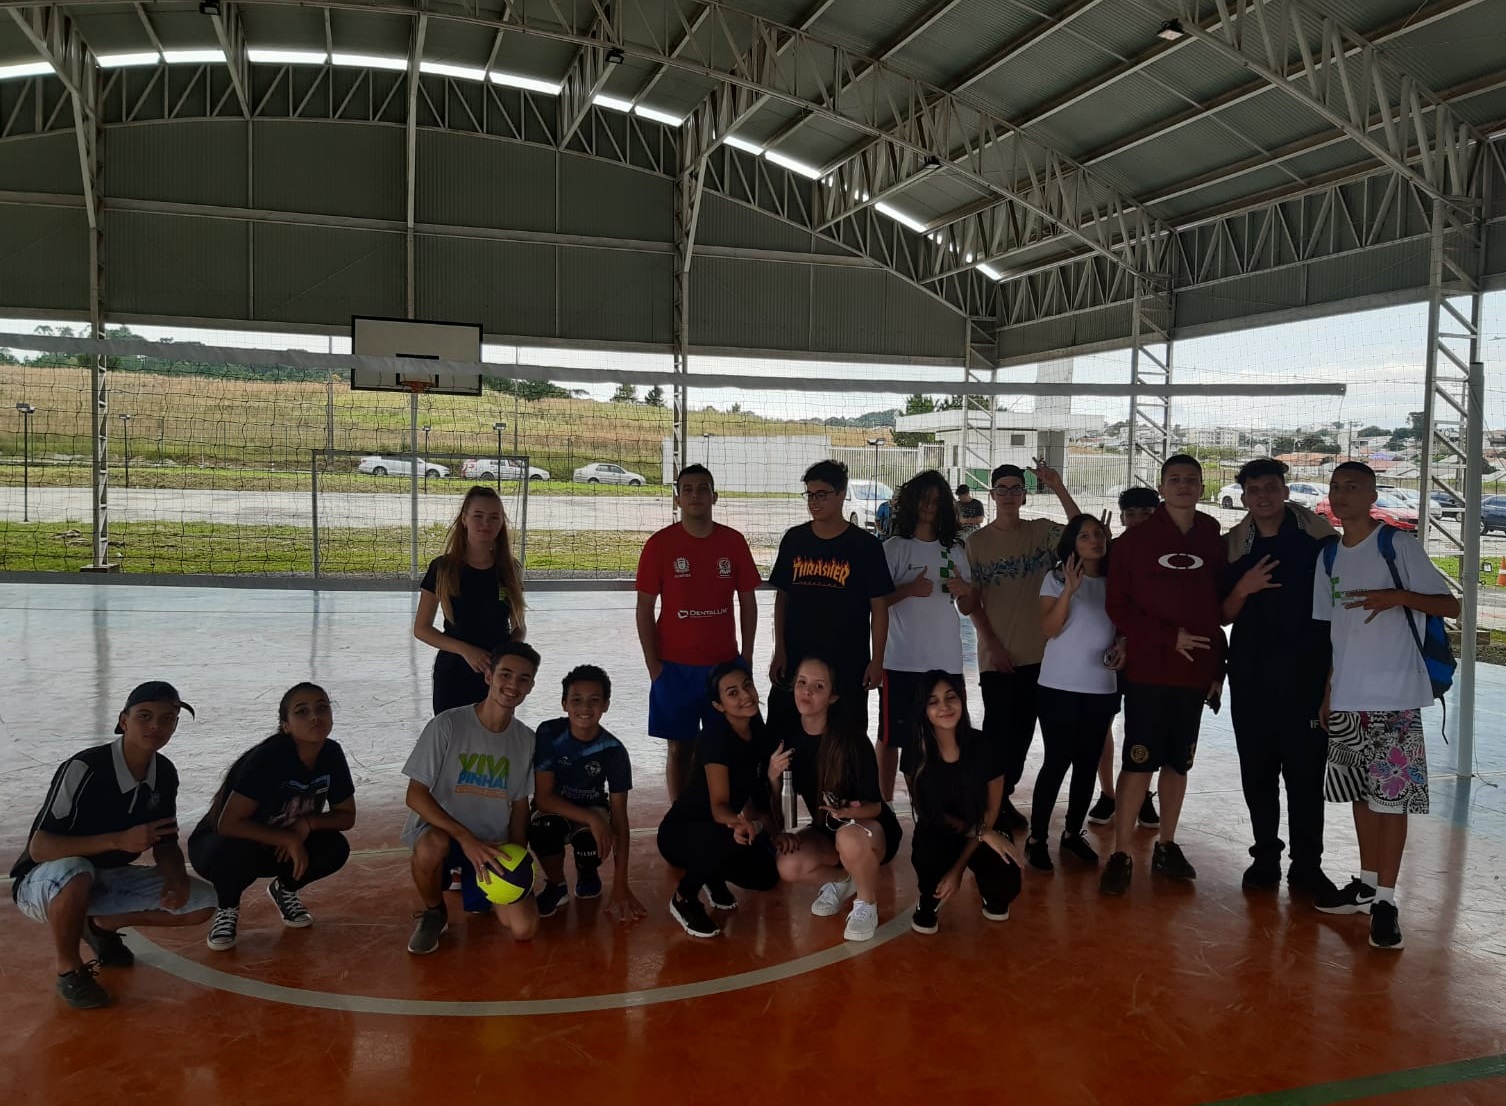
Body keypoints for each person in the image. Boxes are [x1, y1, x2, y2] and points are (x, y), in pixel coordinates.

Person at [1311, 462, 1457, 950]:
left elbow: (1451, 605)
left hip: (1394, 699)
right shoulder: (1328, 556)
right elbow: (1333, 634)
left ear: (1372, 493)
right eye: (1335, 487)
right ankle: (1368, 883)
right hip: (1349, 698)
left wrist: (1396, 596)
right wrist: (1330, 691)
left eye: (1352, 486)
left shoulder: (1398, 545)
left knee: (1391, 800)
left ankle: (1388, 901)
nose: (1341, 494)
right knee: (1361, 795)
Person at [9, 681, 216, 1009]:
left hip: (104, 878)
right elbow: (40, 848)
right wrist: (117, 840)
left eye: (168, 719)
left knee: (203, 903)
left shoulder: (164, 773)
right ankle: (69, 969)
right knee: (75, 871)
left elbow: (165, 842)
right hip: (45, 882)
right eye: (144, 716)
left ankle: (101, 925)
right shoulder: (85, 768)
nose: (156, 726)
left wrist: (175, 877)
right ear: (123, 720)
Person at [1101, 455, 1226, 895]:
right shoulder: (1134, 542)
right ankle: (1120, 852)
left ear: (1201, 486)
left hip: (1193, 676)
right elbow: (1117, 607)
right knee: (1139, 762)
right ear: (1161, 486)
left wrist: (1218, 667)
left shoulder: (1212, 535)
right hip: (1149, 673)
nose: (1184, 486)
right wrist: (1165, 637)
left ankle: (1167, 845)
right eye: (1175, 480)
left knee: (1179, 762)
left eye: (1192, 480)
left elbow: (1217, 607)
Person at [1222, 459, 1338, 896]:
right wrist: (1242, 589)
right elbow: (1220, 614)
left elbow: (1341, 616)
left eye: (1272, 487)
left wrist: (1331, 681)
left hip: (1306, 680)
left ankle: (1307, 866)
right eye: (1254, 490)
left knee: (1306, 778)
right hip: (1251, 678)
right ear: (1245, 497)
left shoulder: (1321, 544)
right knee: (1257, 773)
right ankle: (1265, 856)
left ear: (1286, 491)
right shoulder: (1234, 546)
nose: (1264, 496)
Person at [189, 683, 357, 951]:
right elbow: (228, 824)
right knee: (231, 852)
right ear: (286, 725)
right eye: (302, 712)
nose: (315, 716)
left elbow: (346, 816)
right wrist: (287, 838)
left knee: (335, 847)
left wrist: (306, 824)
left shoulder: (331, 754)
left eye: (322, 708)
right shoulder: (269, 758)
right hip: (225, 842)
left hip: (280, 844)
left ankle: (285, 889)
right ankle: (228, 907)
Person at [402, 642, 542, 954]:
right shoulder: (448, 725)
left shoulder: (526, 740)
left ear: (531, 686)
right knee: (430, 847)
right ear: (489, 676)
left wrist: (518, 858)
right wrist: (464, 838)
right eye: (505, 674)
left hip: (491, 846)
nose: (513, 685)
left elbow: (520, 806)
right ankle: (434, 912)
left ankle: (474, 887)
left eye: (523, 679)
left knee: (524, 929)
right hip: (448, 836)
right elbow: (415, 795)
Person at [966, 459, 1082, 831]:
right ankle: (990, 807)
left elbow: (1082, 534)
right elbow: (972, 603)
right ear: (992, 494)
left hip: (1042, 658)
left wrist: (1059, 486)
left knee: (1024, 735)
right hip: (997, 658)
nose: (1009, 495)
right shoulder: (977, 543)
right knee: (999, 736)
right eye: (1003, 488)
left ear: (1025, 495)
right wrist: (992, 646)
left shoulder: (1042, 532)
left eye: (1017, 488)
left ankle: (1004, 799)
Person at [636, 464, 760, 800]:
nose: (695, 495)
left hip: (723, 667)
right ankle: (681, 818)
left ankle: (732, 816)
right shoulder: (660, 545)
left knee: (732, 745)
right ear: (677, 498)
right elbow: (644, 609)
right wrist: (654, 667)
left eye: (703, 488)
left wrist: (745, 657)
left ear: (714, 496)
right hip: (673, 668)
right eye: (687, 489)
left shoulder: (732, 542)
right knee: (681, 749)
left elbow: (748, 602)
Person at [770, 657, 904, 942]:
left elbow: (875, 806)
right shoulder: (789, 738)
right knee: (787, 863)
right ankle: (842, 880)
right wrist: (772, 775)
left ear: (832, 696)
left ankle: (866, 903)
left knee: (850, 839)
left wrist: (845, 811)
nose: (807, 692)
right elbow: (777, 803)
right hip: (826, 830)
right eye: (802, 683)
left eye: (818, 686)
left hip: (869, 830)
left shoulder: (851, 740)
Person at [1025, 515, 1124, 871]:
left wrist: (1122, 646)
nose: (1094, 540)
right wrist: (1069, 589)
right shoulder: (1054, 579)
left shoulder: (1116, 581)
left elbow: (1122, 629)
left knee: (1086, 764)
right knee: (1057, 761)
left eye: (1099, 534)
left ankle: (1071, 833)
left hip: (1101, 687)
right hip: (1059, 687)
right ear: (1073, 543)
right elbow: (1049, 629)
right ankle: (1037, 839)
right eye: (1084, 536)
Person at [768, 459, 894, 735]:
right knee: (783, 732)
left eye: (822, 494)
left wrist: (877, 660)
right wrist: (779, 649)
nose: (814, 501)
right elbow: (782, 599)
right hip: (797, 657)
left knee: (845, 735)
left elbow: (879, 607)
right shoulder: (794, 540)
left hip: (847, 660)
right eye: (810, 494)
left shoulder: (866, 547)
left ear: (841, 494)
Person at [657, 662, 781, 938]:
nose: (746, 696)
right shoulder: (715, 738)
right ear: (718, 705)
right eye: (732, 693)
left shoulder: (760, 735)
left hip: (721, 829)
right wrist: (741, 824)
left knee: (766, 874)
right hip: (681, 833)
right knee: (726, 836)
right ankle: (684, 898)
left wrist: (772, 832)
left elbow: (761, 798)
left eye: (747, 685)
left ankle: (711, 875)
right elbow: (719, 807)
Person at [880, 471, 977, 800]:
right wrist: (908, 589)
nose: (929, 507)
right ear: (910, 502)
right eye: (923, 500)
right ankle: (885, 804)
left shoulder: (955, 550)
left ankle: (939, 802)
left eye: (936, 501)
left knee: (946, 733)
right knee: (894, 737)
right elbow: (874, 604)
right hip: (901, 661)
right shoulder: (893, 549)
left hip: (946, 661)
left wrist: (966, 591)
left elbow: (968, 606)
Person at [528, 665, 646, 923]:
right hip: (554, 807)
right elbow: (543, 797)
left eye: (594, 700)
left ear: (606, 705)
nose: (585, 708)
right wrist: (594, 819)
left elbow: (619, 818)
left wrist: (620, 885)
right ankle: (556, 884)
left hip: (591, 808)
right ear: (564, 704)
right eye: (576, 700)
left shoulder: (613, 750)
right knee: (543, 829)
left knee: (591, 837)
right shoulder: (549, 733)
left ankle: (587, 871)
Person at [909, 673, 1022, 934]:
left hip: (984, 824)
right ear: (923, 709)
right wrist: (955, 867)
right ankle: (928, 899)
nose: (944, 707)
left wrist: (959, 868)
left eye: (951, 698)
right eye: (933, 701)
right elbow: (929, 811)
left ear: (962, 699)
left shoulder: (985, 745)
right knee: (928, 856)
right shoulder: (917, 751)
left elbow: (992, 812)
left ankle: (991, 894)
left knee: (1005, 872)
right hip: (942, 825)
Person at [414, 486, 527, 715]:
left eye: (494, 517)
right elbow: (422, 629)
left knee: (494, 744)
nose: (486, 523)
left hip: (496, 677)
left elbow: (519, 627)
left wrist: (504, 660)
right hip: (454, 672)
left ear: (501, 523)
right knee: (454, 743)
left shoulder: (509, 569)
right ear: (464, 519)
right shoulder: (443, 568)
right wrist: (466, 650)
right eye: (478, 516)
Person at [1088, 486, 1162, 829]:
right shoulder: (1110, 552)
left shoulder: (1169, 556)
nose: (1137, 521)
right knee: (1102, 724)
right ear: (1121, 518)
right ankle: (1109, 793)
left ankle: (1143, 794)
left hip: (1149, 654)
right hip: (1109, 652)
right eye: (1131, 514)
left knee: (1145, 726)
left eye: (1146, 514)